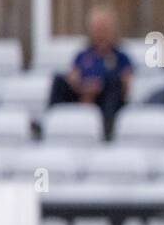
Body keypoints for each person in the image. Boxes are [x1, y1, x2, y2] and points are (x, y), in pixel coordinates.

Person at [48, 7, 133, 137]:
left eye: (104, 29)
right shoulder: (82, 55)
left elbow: (126, 85)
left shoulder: (121, 57)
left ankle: (107, 130)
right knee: (59, 81)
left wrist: (99, 86)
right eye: (97, 29)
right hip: (82, 95)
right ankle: (49, 125)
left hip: (105, 101)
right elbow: (73, 77)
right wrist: (85, 88)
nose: (101, 33)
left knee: (113, 82)